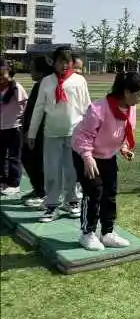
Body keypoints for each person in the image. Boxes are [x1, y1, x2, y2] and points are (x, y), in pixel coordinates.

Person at [72, 71, 140, 251]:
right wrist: (87, 157)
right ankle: (87, 233)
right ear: (126, 92)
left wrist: (124, 147)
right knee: (94, 192)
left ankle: (107, 233)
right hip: (86, 155)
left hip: (107, 156)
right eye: (138, 94)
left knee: (110, 193)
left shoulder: (131, 108)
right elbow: (83, 136)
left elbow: (124, 131)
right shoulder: (98, 109)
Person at [26, 46, 91, 222]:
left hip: (74, 133)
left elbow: (87, 107)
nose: (64, 65)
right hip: (52, 133)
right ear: (53, 63)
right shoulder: (47, 82)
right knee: (52, 171)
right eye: (61, 61)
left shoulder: (79, 81)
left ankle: (72, 201)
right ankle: (52, 205)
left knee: (71, 171)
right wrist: (32, 134)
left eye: (67, 61)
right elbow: (39, 108)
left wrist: (89, 132)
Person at [20, 56, 53, 207]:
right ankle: (39, 189)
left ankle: (42, 193)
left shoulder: (45, 86)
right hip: (33, 132)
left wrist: (32, 132)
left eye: (32, 68)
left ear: (41, 71)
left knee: (37, 161)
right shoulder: (39, 85)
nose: (30, 71)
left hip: (41, 133)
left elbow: (41, 112)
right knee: (29, 158)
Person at [0, 58, 28, 196]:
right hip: (1, 127)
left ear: (9, 72)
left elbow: (25, 105)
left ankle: (14, 183)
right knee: (1, 156)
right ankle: (3, 180)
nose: (0, 77)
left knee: (13, 156)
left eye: (2, 74)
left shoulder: (16, 87)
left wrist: (23, 120)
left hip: (14, 127)